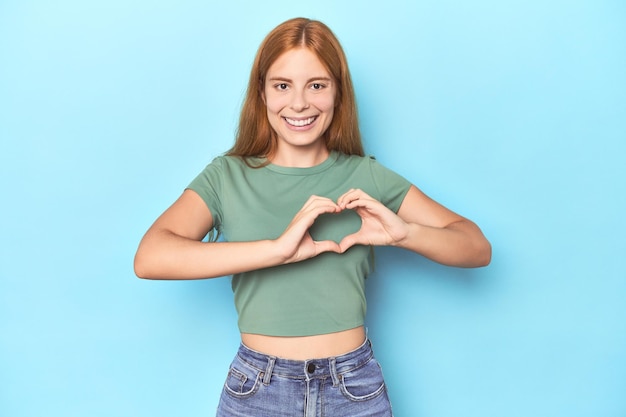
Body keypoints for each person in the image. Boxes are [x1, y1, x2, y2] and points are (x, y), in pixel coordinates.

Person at [134, 17, 491, 417]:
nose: (299, 103)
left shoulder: (365, 176)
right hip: (257, 389)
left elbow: (476, 246)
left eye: (317, 85)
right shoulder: (226, 176)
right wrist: (276, 250)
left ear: (338, 93)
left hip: (353, 387)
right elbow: (150, 257)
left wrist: (405, 233)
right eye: (282, 85)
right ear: (262, 93)